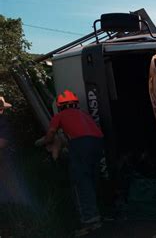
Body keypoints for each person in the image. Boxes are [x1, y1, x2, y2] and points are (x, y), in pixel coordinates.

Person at [36, 90, 104, 236]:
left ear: (60, 106)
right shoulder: (84, 114)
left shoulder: (59, 116)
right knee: (91, 178)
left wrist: (40, 142)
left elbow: (50, 136)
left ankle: (89, 221)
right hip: (98, 143)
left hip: (81, 145)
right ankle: (97, 214)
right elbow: (80, 134)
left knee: (79, 181)